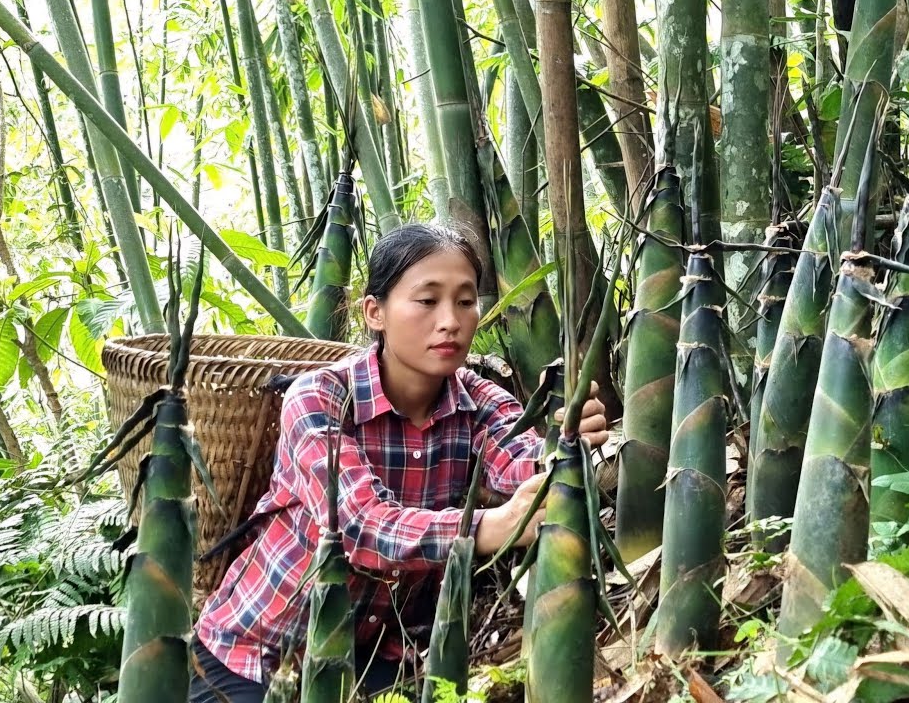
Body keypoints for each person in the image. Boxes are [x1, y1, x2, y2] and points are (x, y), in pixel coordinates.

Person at [190, 224, 608, 702]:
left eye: (466, 301)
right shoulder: (319, 398)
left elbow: (520, 461)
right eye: (427, 301)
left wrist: (563, 440)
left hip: (376, 658)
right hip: (259, 654)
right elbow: (357, 526)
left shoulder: (478, 400)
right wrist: (488, 526)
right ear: (375, 312)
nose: (450, 321)